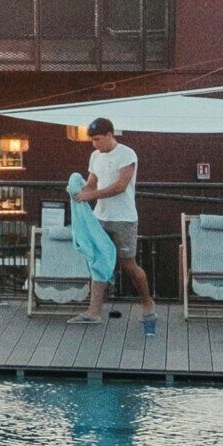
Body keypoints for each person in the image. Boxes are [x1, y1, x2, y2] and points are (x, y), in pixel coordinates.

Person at [76, 117, 156, 328]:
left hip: (124, 218)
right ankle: (94, 311)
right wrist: (79, 192)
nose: (95, 144)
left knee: (128, 264)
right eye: (92, 140)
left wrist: (91, 196)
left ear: (110, 135)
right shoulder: (95, 156)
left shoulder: (127, 154)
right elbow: (92, 182)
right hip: (100, 217)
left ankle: (148, 304)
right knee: (99, 262)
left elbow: (120, 186)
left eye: (98, 139)